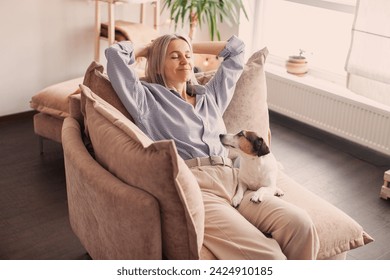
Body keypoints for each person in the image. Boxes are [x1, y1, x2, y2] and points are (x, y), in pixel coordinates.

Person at [105, 34, 320, 260]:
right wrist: (151, 48)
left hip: (236, 181)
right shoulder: (146, 100)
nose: (185, 61)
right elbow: (115, 54)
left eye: (188, 56)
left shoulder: (211, 95)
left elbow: (236, 50)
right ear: (158, 64)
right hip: (198, 188)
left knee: (301, 225)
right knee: (270, 258)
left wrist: (188, 44)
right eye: (175, 57)